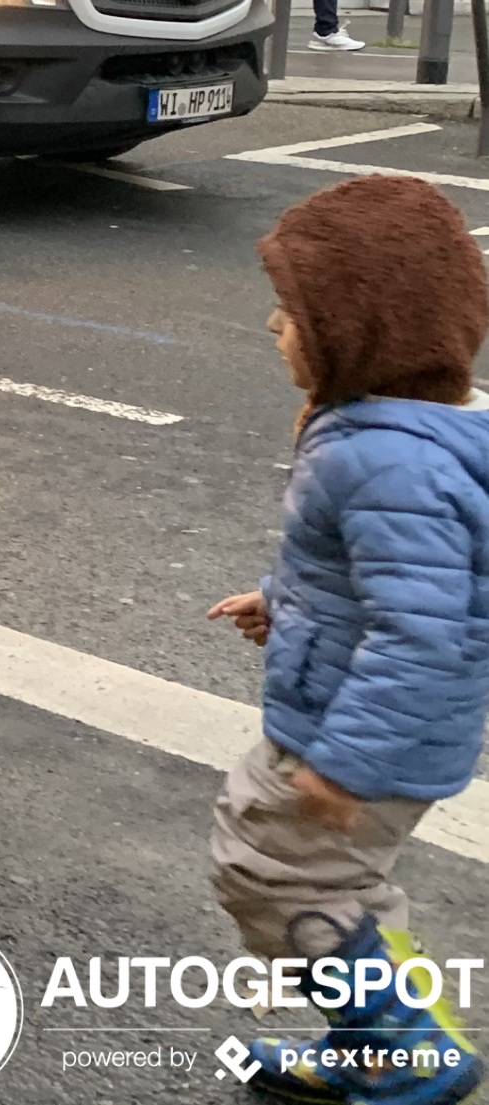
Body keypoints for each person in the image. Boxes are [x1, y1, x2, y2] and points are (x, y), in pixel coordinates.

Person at [207, 173, 489, 1101]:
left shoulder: (384, 456)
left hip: (359, 740)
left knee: (270, 872)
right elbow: (365, 575)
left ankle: (410, 1055)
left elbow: (420, 630)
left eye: (292, 312)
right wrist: (280, 600)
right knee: (337, 889)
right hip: (361, 725)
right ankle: (387, 1035)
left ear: (360, 330)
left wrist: (346, 763)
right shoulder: (384, 427)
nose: (275, 327)